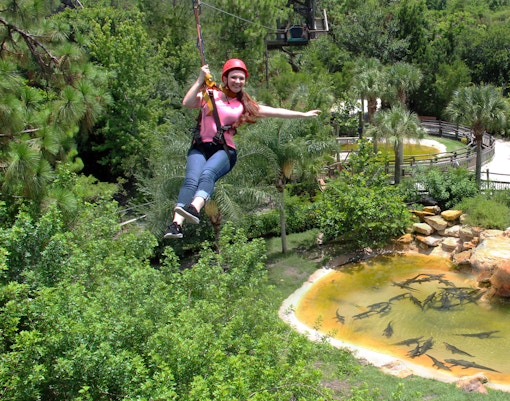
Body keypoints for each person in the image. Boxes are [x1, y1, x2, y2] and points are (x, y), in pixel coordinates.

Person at [164, 58, 321, 238]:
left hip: (224, 150)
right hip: (200, 147)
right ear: (225, 78)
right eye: (234, 77)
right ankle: (176, 225)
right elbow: (187, 102)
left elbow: (276, 111)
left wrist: (303, 114)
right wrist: (200, 79)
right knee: (191, 180)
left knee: (207, 174)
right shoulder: (210, 95)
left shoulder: (243, 105)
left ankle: (195, 207)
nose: (237, 81)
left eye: (241, 78)